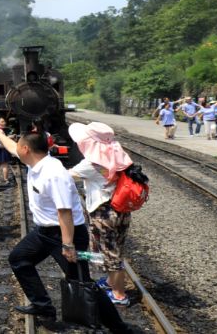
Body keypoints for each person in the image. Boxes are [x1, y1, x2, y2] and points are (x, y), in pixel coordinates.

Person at [0, 125, 132, 332]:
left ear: (26, 149)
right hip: (44, 232)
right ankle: (43, 306)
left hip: (66, 234)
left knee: (82, 282)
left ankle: (119, 328)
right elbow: (11, 147)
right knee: (19, 259)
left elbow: (65, 212)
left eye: (19, 145)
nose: (15, 148)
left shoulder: (53, 173)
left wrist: (68, 244)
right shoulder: (34, 163)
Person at [67, 122, 135, 306]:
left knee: (111, 255)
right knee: (117, 248)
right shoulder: (118, 154)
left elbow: (67, 175)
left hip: (104, 212)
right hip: (121, 210)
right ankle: (112, 282)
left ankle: (119, 294)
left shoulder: (91, 163)